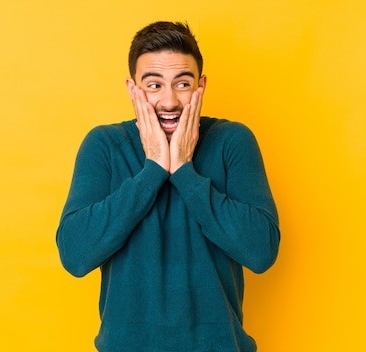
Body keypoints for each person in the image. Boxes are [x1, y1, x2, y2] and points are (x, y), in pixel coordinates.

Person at [56, 21, 280, 351]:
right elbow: (75, 256)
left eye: (183, 83)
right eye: (154, 85)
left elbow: (261, 252)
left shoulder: (232, 141)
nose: (170, 101)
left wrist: (185, 170)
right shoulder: (105, 145)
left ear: (200, 86)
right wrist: (154, 168)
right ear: (133, 89)